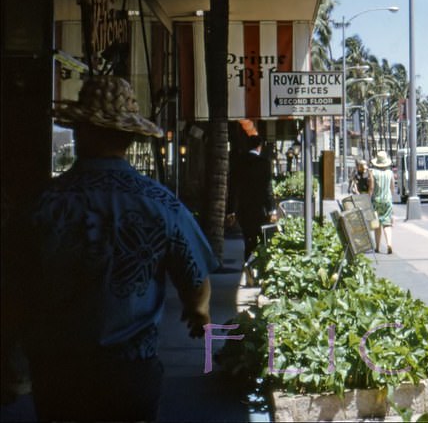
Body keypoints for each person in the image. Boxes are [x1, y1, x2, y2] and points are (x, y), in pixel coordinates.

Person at [13, 75, 216, 422]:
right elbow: (196, 280)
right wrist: (199, 313)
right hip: (130, 374)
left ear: (79, 134)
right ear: (129, 137)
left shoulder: (43, 204)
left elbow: (12, 289)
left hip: (58, 373)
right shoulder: (161, 203)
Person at [228, 133, 278, 262]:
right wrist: (272, 208)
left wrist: (231, 210)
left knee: (246, 236)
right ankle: (253, 263)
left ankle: (247, 261)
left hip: (243, 207)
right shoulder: (264, 163)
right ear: (259, 147)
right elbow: (267, 188)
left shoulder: (239, 163)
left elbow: (233, 187)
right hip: (259, 208)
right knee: (259, 237)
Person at [370, 150, 395, 254]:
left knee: (377, 224)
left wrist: (369, 197)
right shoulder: (390, 173)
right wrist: (390, 197)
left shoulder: (373, 172)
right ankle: (389, 243)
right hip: (387, 200)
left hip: (376, 200)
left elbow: (371, 187)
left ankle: (377, 247)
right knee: (387, 224)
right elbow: (392, 187)